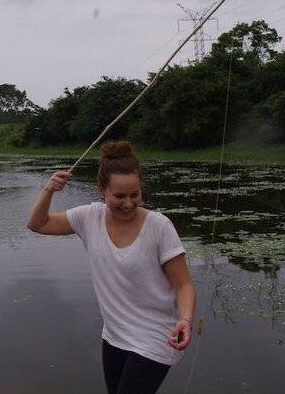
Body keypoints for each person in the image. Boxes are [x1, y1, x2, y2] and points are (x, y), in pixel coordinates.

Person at [26, 141, 195, 394]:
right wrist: (48, 190)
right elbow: (38, 224)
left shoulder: (159, 226)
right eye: (119, 196)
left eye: (134, 195)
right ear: (102, 190)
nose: (128, 203)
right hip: (114, 337)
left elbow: (183, 285)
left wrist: (185, 319)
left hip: (156, 337)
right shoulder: (89, 217)